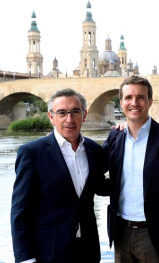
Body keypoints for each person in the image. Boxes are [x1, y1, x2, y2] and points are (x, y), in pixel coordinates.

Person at [11, 88, 109, 263]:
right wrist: (25, 258)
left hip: (88, 251)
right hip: (48, 253)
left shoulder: (95, 150)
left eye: (75, 112)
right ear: (51, 117)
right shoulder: (32, 153)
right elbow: (20, 211)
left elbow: (103, 187)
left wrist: (123, 133)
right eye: (62, 113)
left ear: (84, 115)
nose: (69, 119)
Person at [103, 75, 159, 263]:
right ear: (121, 102)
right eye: (128, 97)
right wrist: (59, 140)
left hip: (156, 235)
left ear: (150, 101)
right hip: (121, 234)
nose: (134, 103)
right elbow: (92, 168)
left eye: (140, 97)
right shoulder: (115, 137)